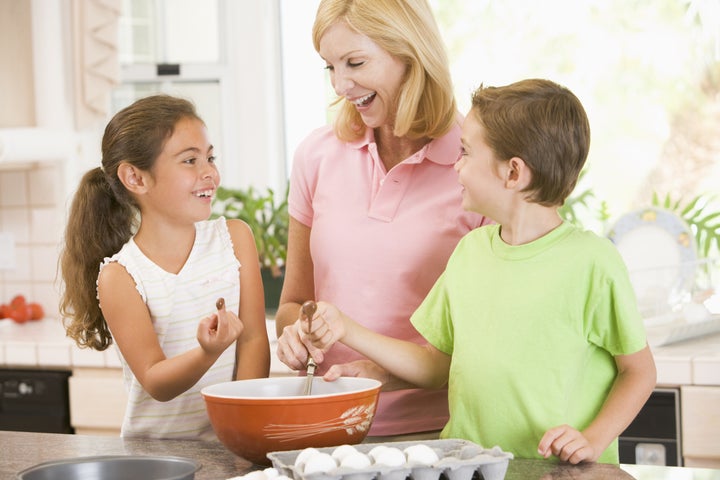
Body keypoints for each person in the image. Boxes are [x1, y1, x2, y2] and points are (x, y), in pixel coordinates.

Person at [302, 78, 657, 464]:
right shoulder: (470, 252)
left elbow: (638, 372)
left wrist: (592, 439)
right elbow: (435, 367)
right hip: (470, 466)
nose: (456, 165)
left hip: (558, 472)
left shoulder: (593, 263)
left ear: (513, 173)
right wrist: (346, 328)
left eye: (466, 153)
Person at [274, 0, 493, 441]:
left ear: (411, 54)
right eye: (329, 67)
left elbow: (488, 340)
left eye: (355, 62)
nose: (340, 84)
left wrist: (382, 372)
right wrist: (295, 333)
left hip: (438, 435)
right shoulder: (316, 156)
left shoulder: (477, 165)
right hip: (326, 428)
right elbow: (293, 302)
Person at [59, 94, 270, 440]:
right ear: (136, 178)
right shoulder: (121, 276)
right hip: (155, 459)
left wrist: (240, 429)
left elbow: (253, 339)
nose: (210, 173)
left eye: (210, 157)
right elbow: (155, 380)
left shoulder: (234, 239)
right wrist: (207, 353)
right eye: (190, 161)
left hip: (230, 446)